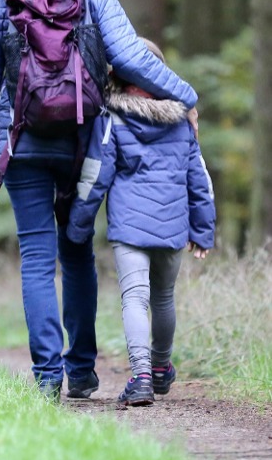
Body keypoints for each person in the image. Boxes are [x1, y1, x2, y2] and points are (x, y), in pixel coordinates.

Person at [0, 0, 199, 402]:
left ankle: (47, 377)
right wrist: (186, 96)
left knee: (35, 256)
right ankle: (82, 371)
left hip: (22, 143)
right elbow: (134, 58)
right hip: (83, 143)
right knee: (76, 252)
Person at [66, 39, 215, 406]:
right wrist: (203, 229)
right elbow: (200, 179)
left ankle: (142, 377)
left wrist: (78, 225)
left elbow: (95, 175)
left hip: (130, 229)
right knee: (163, 298)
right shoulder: (182, 120)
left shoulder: (112, 118)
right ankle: (162, 368)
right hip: (173, 225)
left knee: (135, 298)